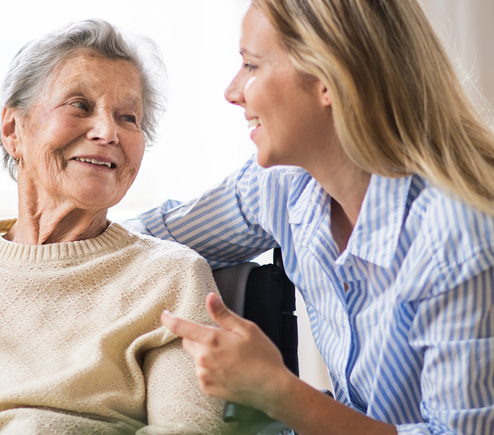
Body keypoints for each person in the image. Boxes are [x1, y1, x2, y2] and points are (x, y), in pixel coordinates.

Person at [127, 1, 494, 434]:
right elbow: (151, 237)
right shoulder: (284, 185)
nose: (232, 91)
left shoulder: (461, 235)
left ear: (326, 81)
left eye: (251, 66)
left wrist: (278, 392)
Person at [0, 19, 232, 434]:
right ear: (13, 131)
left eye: (128, 117)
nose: (107, 131)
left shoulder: (173, 277)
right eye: (79, 105)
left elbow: (186, 431)